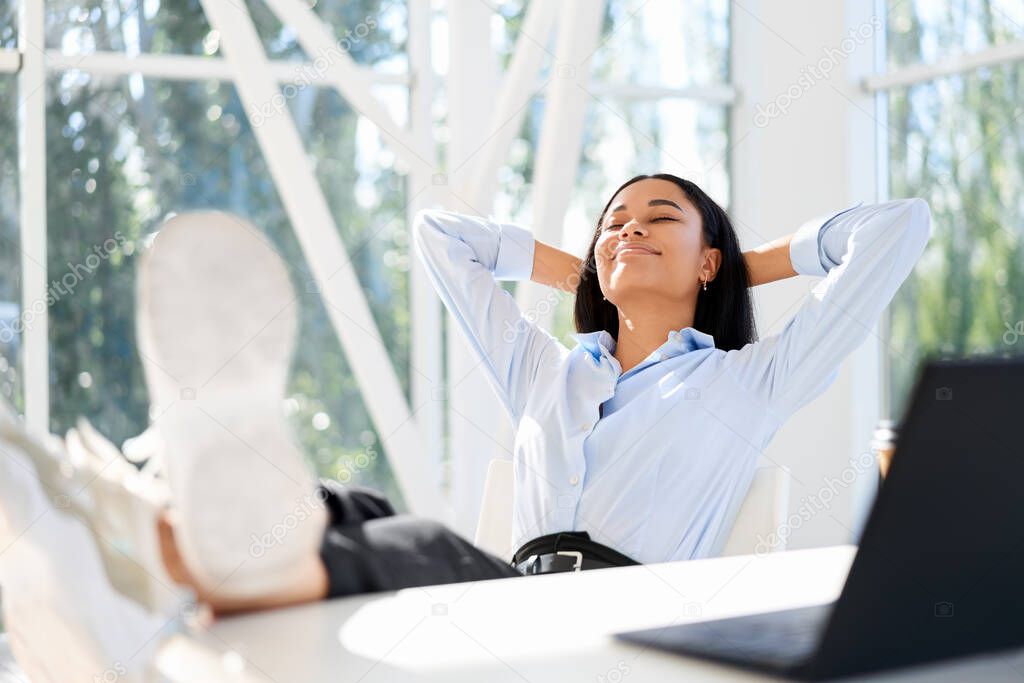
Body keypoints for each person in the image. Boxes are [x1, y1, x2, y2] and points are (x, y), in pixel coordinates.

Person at [3, 174, 933, 620]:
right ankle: (143, 532)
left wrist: (747, 264)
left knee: (424, 544)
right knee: (349, 507)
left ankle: (183, 559)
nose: (629, 228)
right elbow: (439, 234)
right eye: (614, 218)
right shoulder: (548, 369)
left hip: (623, 625)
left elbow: (898, 228)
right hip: (516, 599)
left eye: (661, 219)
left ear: (712, 257)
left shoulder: (748, 380)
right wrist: (594, 269)